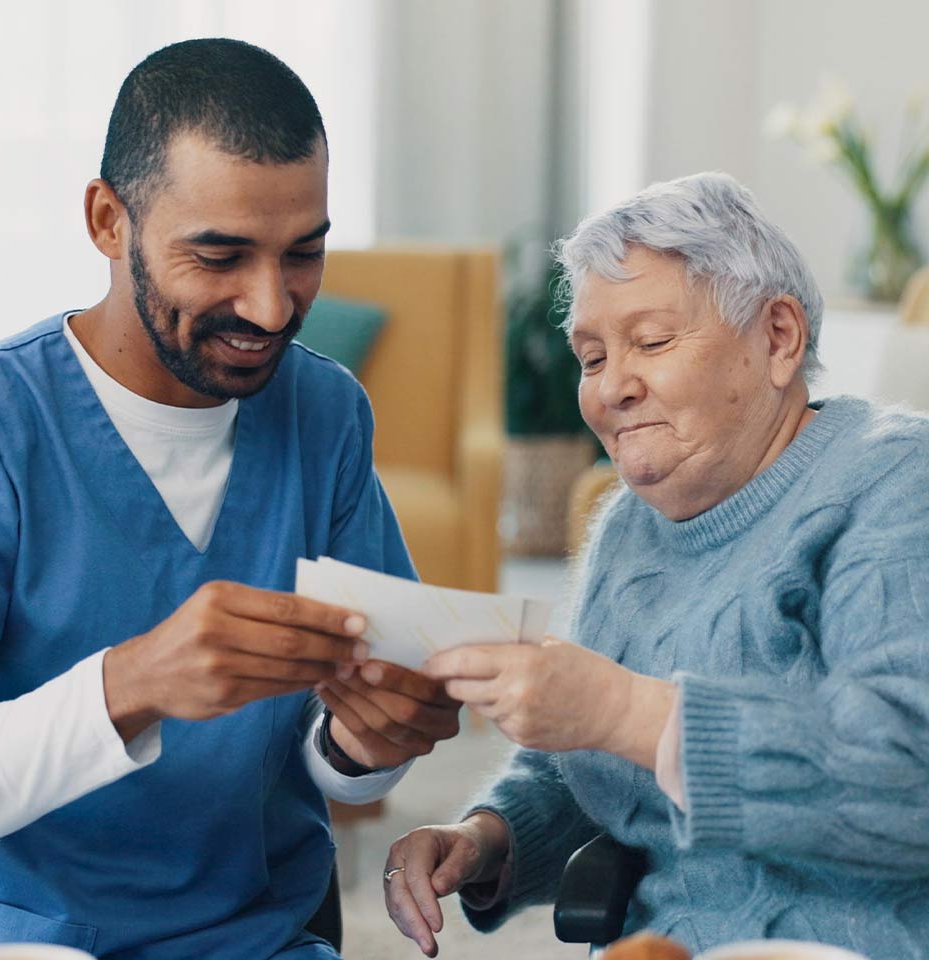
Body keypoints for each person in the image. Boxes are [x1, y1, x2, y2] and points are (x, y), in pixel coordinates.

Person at [0, 38, 461, 960]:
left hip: (249, 936)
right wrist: (137, 684)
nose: (273, 307)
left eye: (303, 255)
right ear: (107, 220)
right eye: (220, 256)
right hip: (14, 936)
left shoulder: (324, 416)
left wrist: (371, 744)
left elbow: (344, 771)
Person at [383, 172, 929, 959]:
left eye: (651, 342)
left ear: (778, 338)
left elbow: (907, 773)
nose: (611, 389)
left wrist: (628, 711)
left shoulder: (892, 482)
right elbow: (587, 758)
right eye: (592, 355)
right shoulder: (625, 528)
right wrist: (488, 837)